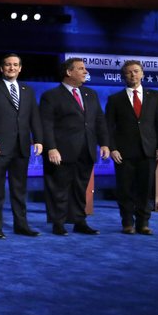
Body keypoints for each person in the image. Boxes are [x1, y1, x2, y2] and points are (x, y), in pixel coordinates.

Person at [39, 58, 109, 236]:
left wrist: (105, 143)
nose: (85, 72)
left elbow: (99, 121)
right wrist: (51, 148)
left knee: (80, 188)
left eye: (85, 69)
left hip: (86, 149)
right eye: (81, 69)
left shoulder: (91, 94)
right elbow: (45, 124)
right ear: (69, 72)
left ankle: (79, 221)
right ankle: (58, 223)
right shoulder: (51, 96)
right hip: (61, 151)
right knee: (59, 188)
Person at [0, 53, 43, 239]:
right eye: (8, 65)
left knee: (19, 190)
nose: (12, 68)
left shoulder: (28, 90)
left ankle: (21, 225)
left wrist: (38, 139)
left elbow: (34, 117)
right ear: (2, 68)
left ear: (20, 68)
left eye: (15, 65)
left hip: (22, 147)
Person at [105, 60, 158, 235]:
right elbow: (108, 127)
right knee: (125, 189)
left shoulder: (155, 96)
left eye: (136, 71)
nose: (133, 75)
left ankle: (143, 223)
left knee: (145, 188)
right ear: (123, 76)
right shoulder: (115, 99)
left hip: (148, 151)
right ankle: (127, 222)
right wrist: (112, 148)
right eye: (128, 72)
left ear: (143, 74)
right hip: (123, 153)